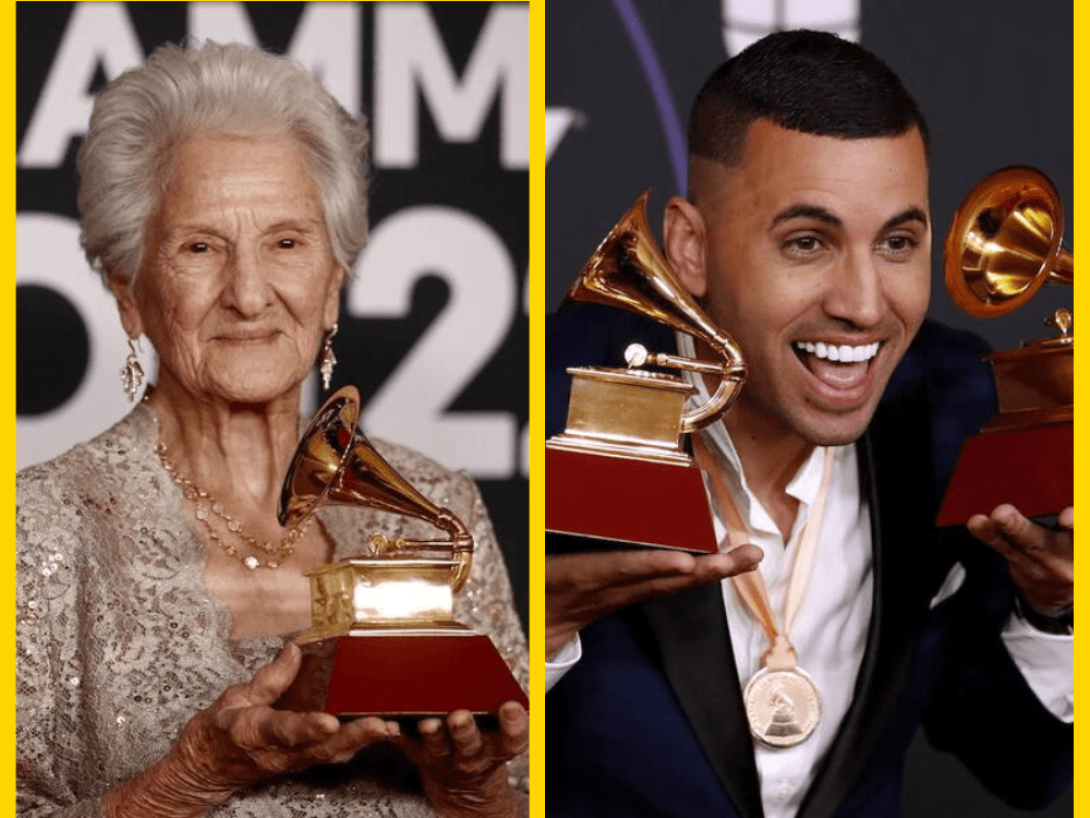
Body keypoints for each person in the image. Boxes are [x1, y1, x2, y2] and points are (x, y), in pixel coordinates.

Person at [544, 30, 1072, 817]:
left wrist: (1053, 613)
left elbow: (1023, 770)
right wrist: (537, 640)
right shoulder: (557, 410)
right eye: (807, 242)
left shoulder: (960, 407)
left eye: (897, 242)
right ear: (690, 248)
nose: (863, 304)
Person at [16, 42, 528, 818]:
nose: (250, 295)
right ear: (130, 292)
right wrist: (192, 774)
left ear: (333, 285)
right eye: (199, 248)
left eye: (286, 243)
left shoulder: (439, 499)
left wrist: (469, 785)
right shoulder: (32, 530)